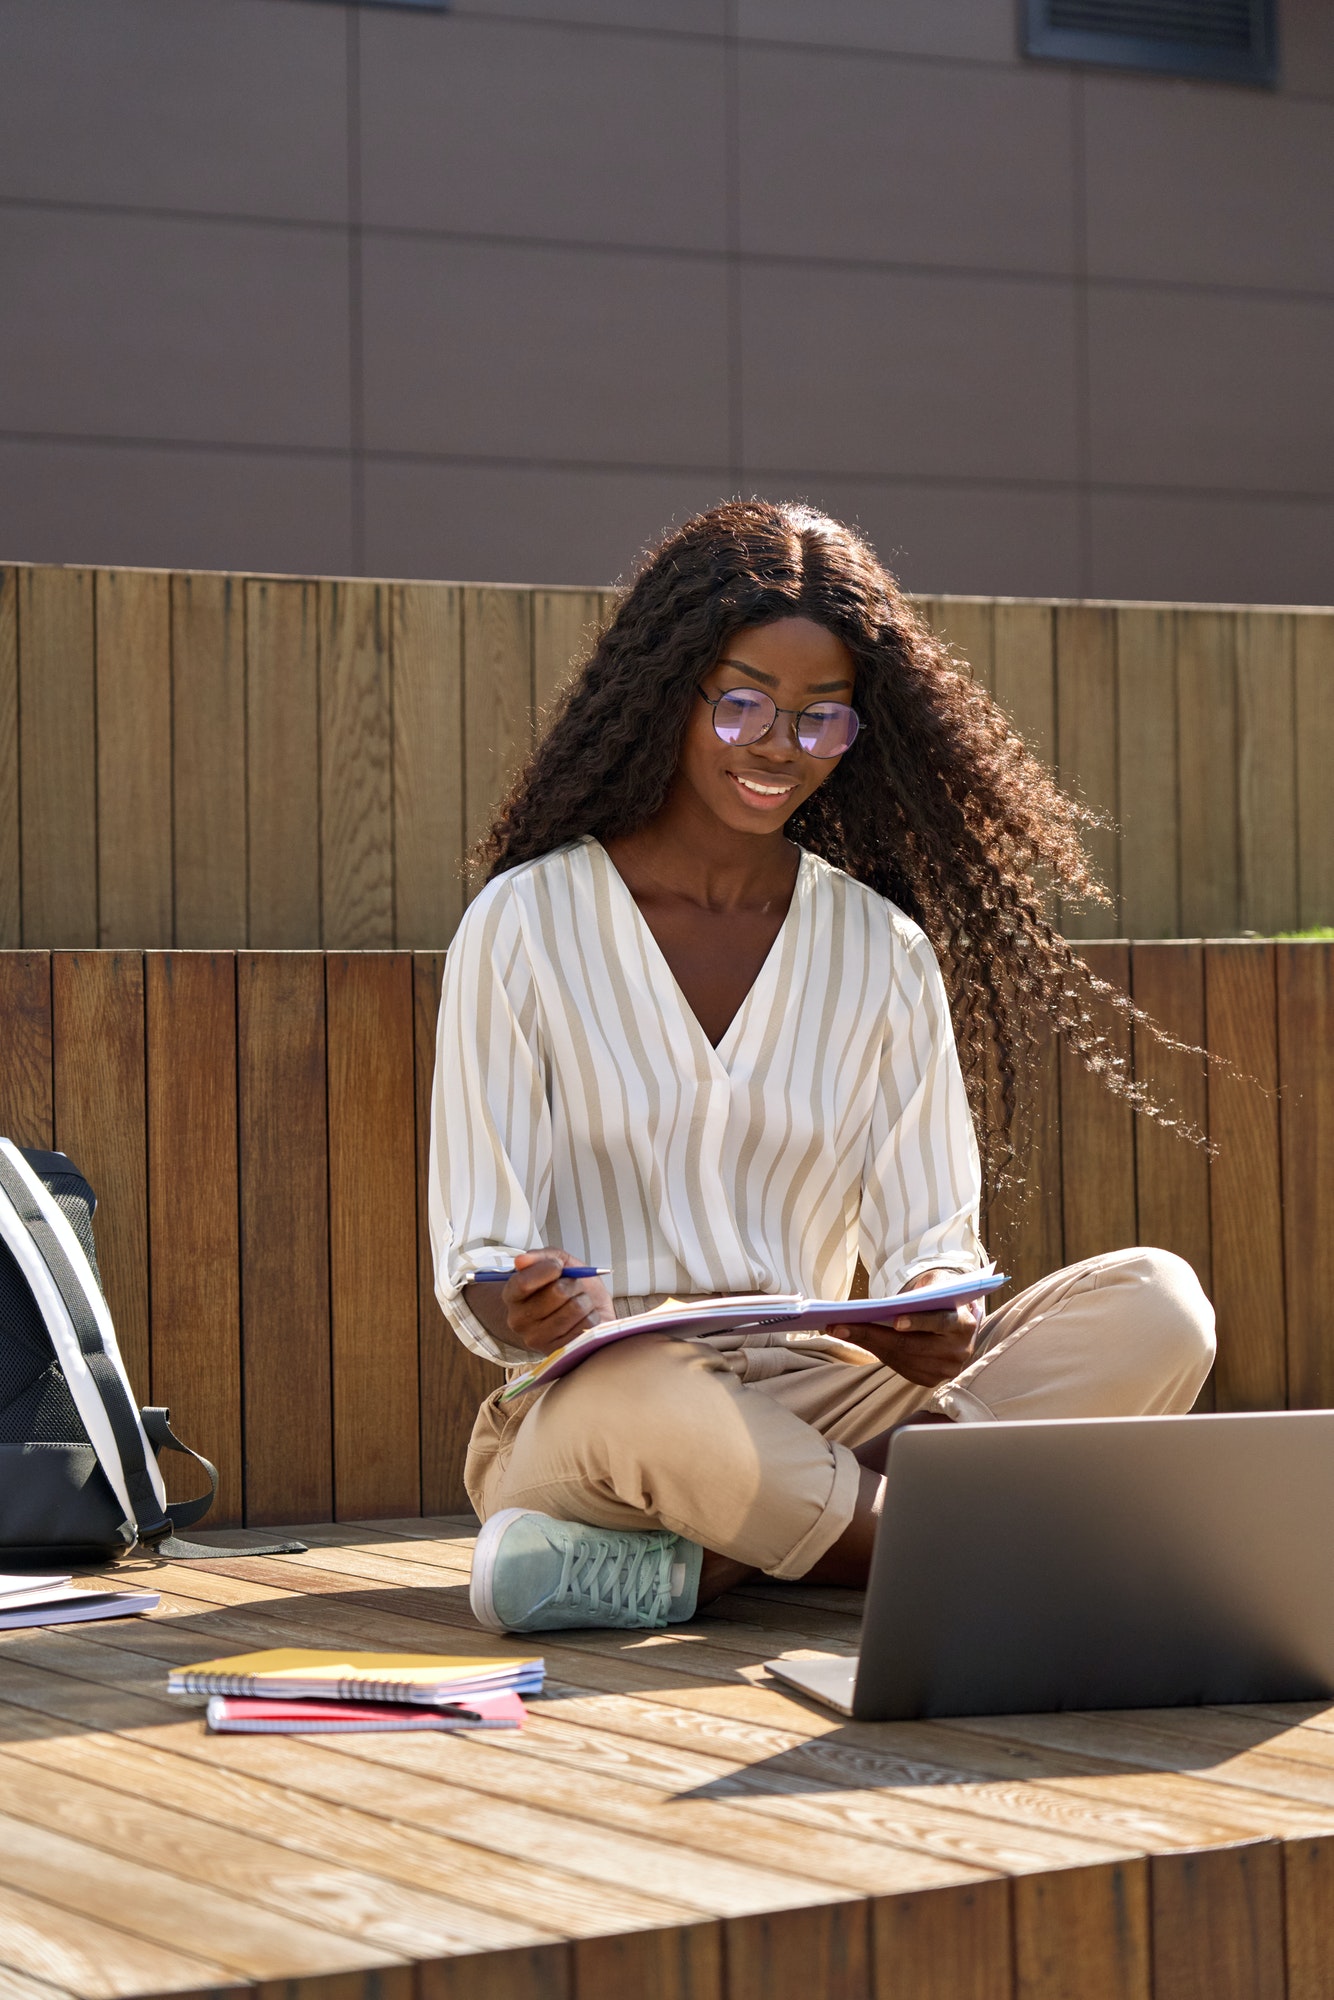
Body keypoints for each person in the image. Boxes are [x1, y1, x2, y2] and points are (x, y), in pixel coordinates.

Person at [428, 501, 1215, 1636]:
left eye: (820, 718)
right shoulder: (526, 923)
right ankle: (969, 1544)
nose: (776, 747)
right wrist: (532, 1301)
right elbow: (481, 1259)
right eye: (742, 702)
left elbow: (931, 1245)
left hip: (828, 1397)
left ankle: (707, 1567)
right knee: (646, 1394)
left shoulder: (879, 949)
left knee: (1156, 1305)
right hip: (599, 1414)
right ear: (667, 692)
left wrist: (930, 1322)